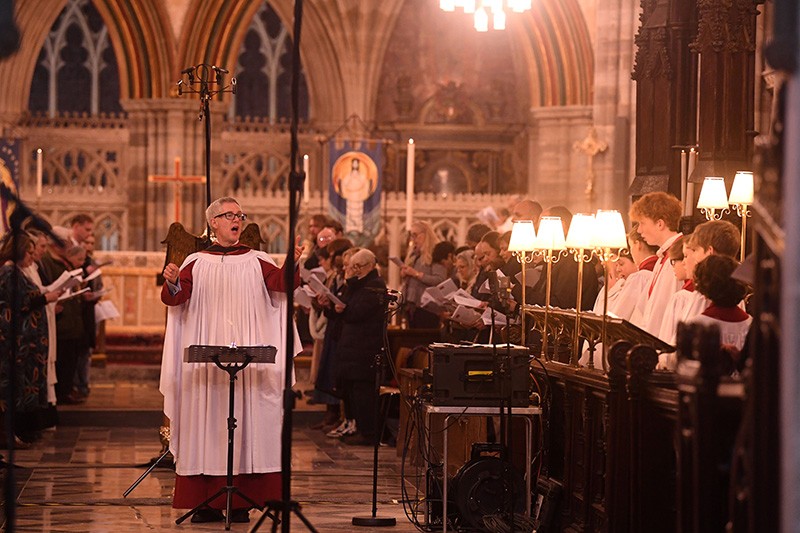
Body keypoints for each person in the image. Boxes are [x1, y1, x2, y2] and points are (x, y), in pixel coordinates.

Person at [159, 196, 303, 524]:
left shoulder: (258, 260)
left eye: (240, 215)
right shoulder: (196, 261)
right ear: (214, 223)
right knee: (207, 425)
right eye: (229, 215)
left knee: (250, 426)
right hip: (206, 370)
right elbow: (176, 298)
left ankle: (241, 502)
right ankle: (207, 503)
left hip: (248, 367)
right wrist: (172, 279)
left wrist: (291, 263)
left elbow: (283, 286)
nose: (236, 220)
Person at [0, 233, 62, 446]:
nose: (33, 255)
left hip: (26, 342)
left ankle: (18, 431)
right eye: (29, 250)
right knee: (14, 387)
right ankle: (10, 434)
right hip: (16, 342)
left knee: (24, 385)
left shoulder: (17, 271)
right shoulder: (9, 271)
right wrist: (45, 298)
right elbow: (18, 302)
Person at [331, 248, 387, 446]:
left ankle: (370, 433)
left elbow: (356, 313)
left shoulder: (375, 286)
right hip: (353, 348)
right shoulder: (358, 285)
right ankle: (362, 430)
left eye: (358, 266)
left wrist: (345, 303)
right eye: (352, 266)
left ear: (370, 266)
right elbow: (345, 309)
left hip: (365, 348)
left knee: (364, 394)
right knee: (354, 392)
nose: (354, 270)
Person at [629, 192, 684, 336]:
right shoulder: (662, 257)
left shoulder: (679, 256)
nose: (639, 230)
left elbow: (667, 311)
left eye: (642, 223)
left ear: (660, 224)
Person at [401, 221, 447, 328]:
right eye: (411, 235)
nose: (413, 239)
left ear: (426, 234)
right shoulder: (414, 255)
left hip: (427, 308)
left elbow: (440, 280)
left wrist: (416, 274)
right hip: (411, 305)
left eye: (415, 235)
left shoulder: (435, 254)